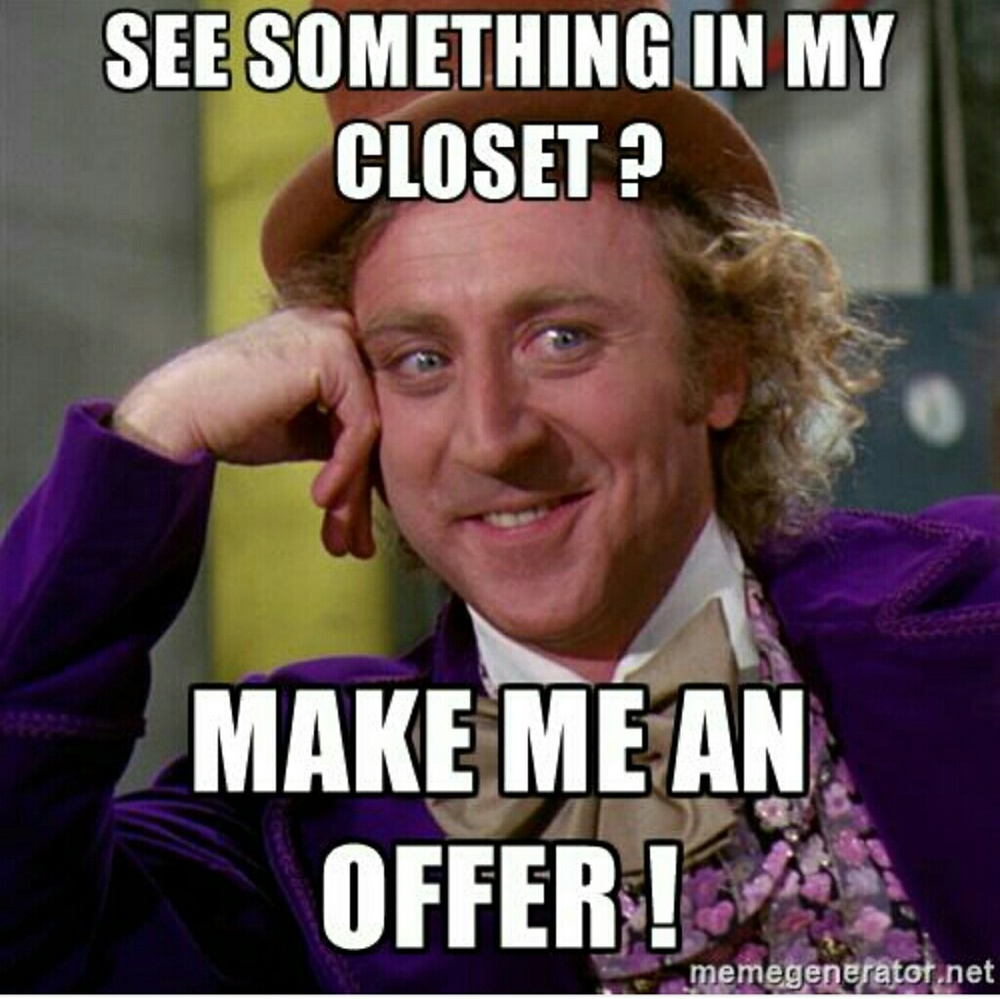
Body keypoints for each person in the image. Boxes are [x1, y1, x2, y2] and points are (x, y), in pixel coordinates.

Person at [1, 0, 997, 992]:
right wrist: (153, 437)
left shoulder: (975, 615)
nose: (491, 435)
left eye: (561, 339)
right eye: (420, 359)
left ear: (720, 360)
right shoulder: (297, 812)